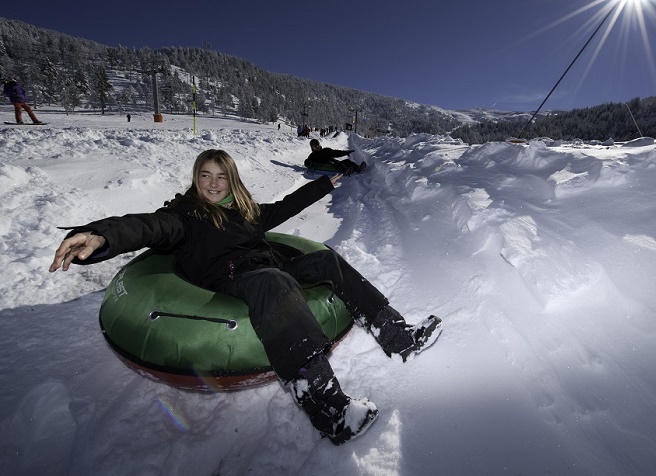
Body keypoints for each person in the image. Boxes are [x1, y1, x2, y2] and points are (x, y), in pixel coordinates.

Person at [49, 149, 442, 445]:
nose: (214, 183)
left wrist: (323, 185)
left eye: (221, 176)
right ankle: (327, 408)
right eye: (206, 175)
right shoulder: (184, 217)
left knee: (324, 260)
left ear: (232, 179)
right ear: (196, 178)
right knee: (272, 279)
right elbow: (146, 227)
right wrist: (101, 235)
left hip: (266, 268)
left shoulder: (245, 212)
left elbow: (282, 209)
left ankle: (397, 336)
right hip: (232, 281)